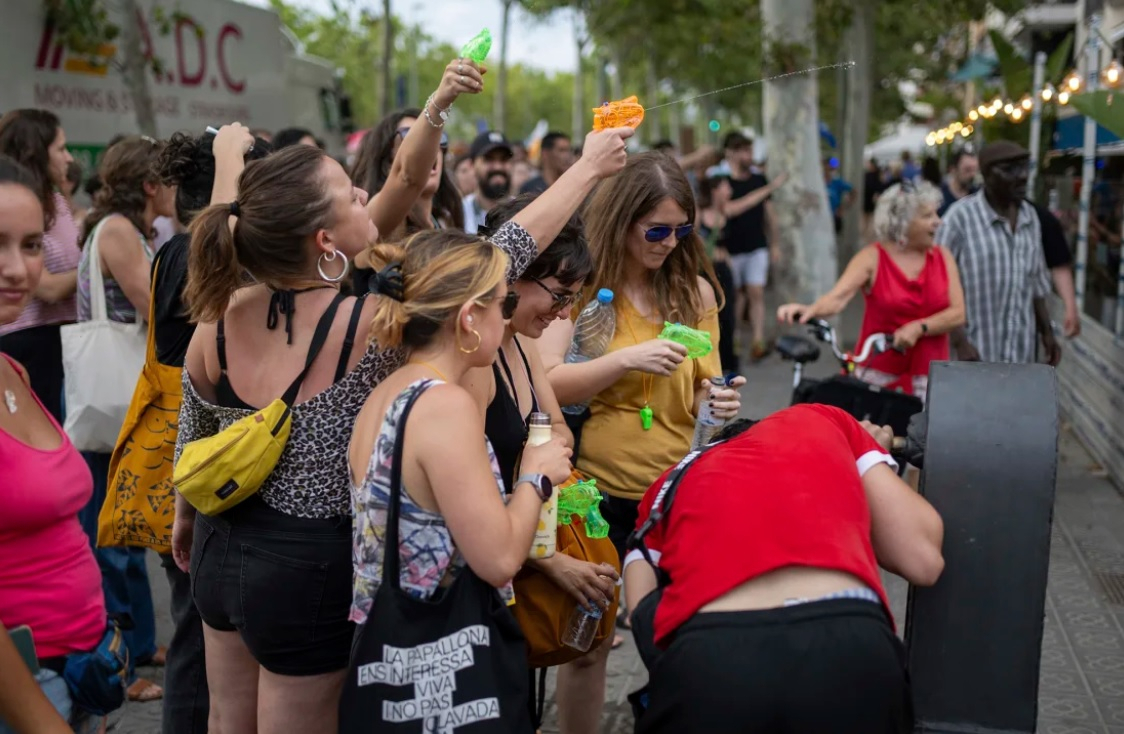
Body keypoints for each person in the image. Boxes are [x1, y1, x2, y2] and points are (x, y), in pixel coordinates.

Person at [172, 123, 635, 732]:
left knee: (228, 721)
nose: (367, 195)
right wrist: (589, 170)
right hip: (305, 570)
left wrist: (184, 518)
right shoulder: (364, 326)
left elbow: (196, 426)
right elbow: (497, 263)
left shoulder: (219, 316)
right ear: (325, 240)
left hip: (218, 546)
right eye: (350, 194)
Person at [347, 231, 572, 732]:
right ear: (469, 316)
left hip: (387, 649)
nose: (508, 315)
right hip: (445, 663)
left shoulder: (388, 391)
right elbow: (496, 559)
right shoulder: (444, 405)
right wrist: (535, 477)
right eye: (503, 301)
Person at [623, 406, 944, 733]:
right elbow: (922, 559)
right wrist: (872, 451)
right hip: (849, 645)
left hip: (711, 659)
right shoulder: (822, 418)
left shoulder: (670, 481)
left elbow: (641, 615)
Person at [539, 152, 746, 565]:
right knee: (595, 615)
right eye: (656, 232)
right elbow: (546, 383)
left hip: (673, 487)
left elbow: (702, 393)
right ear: (621, 222)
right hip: (597, 493)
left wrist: (718, 403)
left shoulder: (695, 293)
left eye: (681, 230)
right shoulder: (583, 290)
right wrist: (626, 360)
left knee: (668, 617)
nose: (670, 242)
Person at [470, 195, 622, 733]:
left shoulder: (522, 344)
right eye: (558, 297)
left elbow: (558, 435)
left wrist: (535, 472)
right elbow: (463, 495)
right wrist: (549, 562)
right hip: (482, 580)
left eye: (572, 301)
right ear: (511, 277)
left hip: (522, 546)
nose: (562, 315)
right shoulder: (473, 359)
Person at [142, 124, 271, 734]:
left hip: (204, 465)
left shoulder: (184, 250)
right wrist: (231, 162)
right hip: (192, 466)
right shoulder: (187, 255)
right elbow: (214, 274)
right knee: (195, 651)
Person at [0, 155, 107, 734]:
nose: (17, 269)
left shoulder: (11, 370)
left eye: (32, 244)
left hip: (77, 672)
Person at [75, 135, 175, 704]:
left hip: (122, 391)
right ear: (149, 185)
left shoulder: (128, 229)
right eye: (167, 178)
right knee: (112, 536)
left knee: (130, 523)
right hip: (114, 391)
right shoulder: (117, 230)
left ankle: (138, 643)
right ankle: (119, 665)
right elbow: (152, 303)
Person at [778, 181, 966, 401]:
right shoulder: (872, 257)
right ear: (901, 222)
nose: (938, 222)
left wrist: (920, 328)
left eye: (936, 214)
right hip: (879, 374)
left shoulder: (943, 257)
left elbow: (958, 313)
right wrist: (810, 309)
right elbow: (837, 298)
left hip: (932, 375)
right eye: (927, 216)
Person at [349, 60, 479, 291]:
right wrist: (440, 102)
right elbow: (407, 178)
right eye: (411, 137)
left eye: (437, 138)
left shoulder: (444, 221)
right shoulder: (373, 221)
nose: (430, 148)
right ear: (387, 160)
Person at [936, 141, 1060, 365]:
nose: (1022, 176)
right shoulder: (959, 219)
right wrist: (959, 342)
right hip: (974, 355)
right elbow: (937, 286)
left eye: (1025, 168)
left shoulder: (1030, 217)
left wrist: (1047, 333)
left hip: (1019, 357)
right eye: (1010, 170)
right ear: (986, 174)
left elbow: (1037, 285)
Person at [0, 109, 80, 422]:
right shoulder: (17, 205)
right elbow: (46, 287)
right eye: (60, 148)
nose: (69, 158)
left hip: (66, 340)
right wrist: (93, 269)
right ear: (36, 150)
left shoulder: (57, 203)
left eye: (31, 245)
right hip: (28, 341)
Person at [718, 132, 786, 362]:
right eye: (744, 151)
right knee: (735, 295)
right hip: (731, 248)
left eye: (750, 150)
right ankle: (734, 337)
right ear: (732, 153)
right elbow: (730, 209)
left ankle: (758, 339)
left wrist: (775, 244)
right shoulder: (722, 181)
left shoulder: (759, 180)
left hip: (757, 246)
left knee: (755, 291)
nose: (749, 156)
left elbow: (771, 216)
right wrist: (771, 187)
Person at [696, 175, 738, 373]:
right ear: (714, 190)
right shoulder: (699, 214)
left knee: (728, 317)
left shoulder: (726, 212)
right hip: (705, 271)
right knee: (707, 317)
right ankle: (708, 363)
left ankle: (727, 363)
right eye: (725, 185)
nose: (729, 190)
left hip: (724, 270)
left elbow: (749, 202)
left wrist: (771, 186)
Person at [1031, 199, 1080, 338]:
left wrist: (1070, 308)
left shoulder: (1040, 218)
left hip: (1023, 331)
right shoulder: (968, 214)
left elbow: (1059, 263)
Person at [462, 130, 515, 234]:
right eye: (489, 159)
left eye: (504, 160)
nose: (498, 167)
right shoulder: (460, 212)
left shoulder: (524, 211)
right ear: (472, 165)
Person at [937, 149, 979, 217]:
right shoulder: (939, 197)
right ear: (953, 170)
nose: (972, 175)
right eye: (967, 170)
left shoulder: (977, 195)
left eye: (974, 170)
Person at [824, 157, 854, 235]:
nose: (831, 171)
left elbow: (853, 191)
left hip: (834, 216)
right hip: (820, 217)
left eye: (832, 169)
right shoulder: (818, 182)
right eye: (829, 168)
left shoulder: (837, 181)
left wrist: (845, 207)